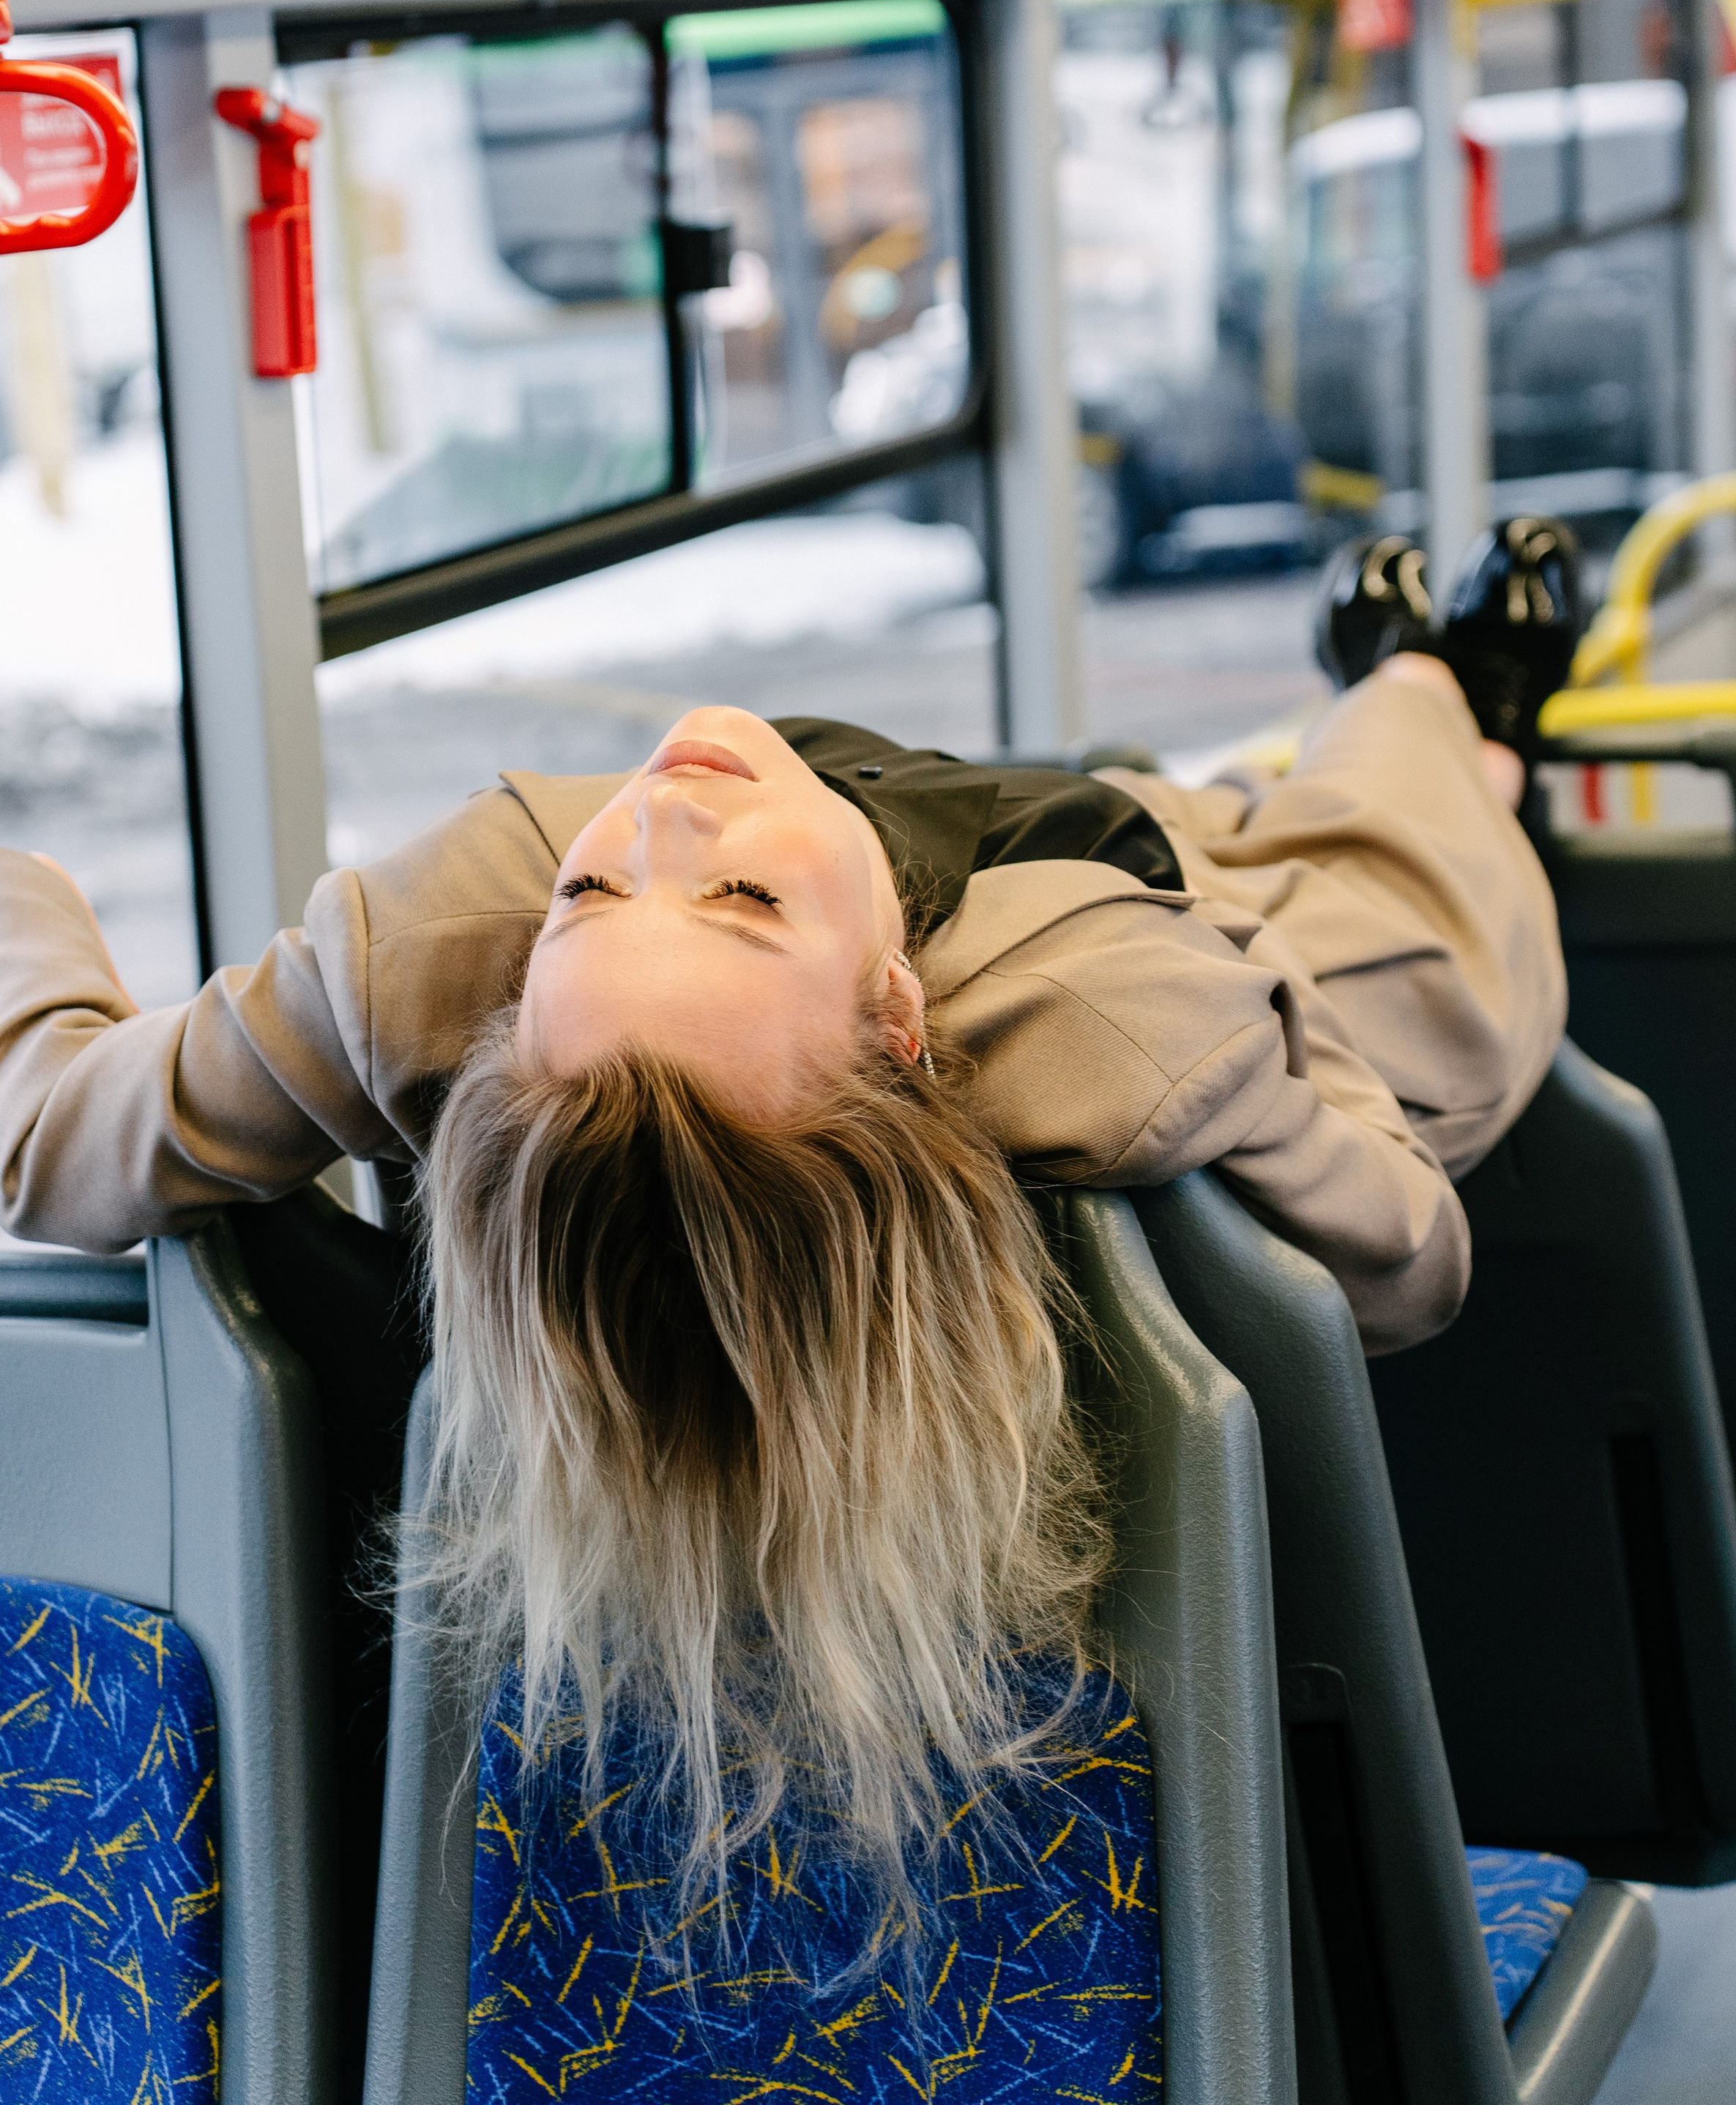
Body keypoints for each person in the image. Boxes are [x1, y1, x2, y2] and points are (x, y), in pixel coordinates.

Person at [0, 537, 1567, 1973]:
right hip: (1197, 915)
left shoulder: (436, 948)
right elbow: (1400, 1246)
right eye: (739, 897)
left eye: (590, 896)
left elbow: (59, 1135)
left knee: (1210, 803)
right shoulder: (1121, 1035)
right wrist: (1254, 1002)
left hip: (1096, 843)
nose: (664, 813)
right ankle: (1445, 685)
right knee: (1420, 887)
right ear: (899, 1019)